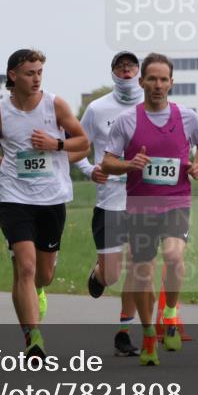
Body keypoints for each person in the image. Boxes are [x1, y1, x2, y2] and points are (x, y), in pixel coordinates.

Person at [0, 49, 88, 360]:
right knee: (25, 266)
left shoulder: (55, 104)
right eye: (29, 73)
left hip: (51, 197)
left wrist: (57, 144)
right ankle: (32, 337)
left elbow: (83, 141)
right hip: (14, 196)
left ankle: (37, 292)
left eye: (39, 72)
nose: (36, 78)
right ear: (12, 75)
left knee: (43, 274)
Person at [101, 52, 198, 366]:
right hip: (140, 206)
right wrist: (129, 164)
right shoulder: (127, 120)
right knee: (142, 272)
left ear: (171, 83)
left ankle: (171, 314)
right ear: (141, 82)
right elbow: (107, 162)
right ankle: (149, 333)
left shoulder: (186, 117)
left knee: (175, 257)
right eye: (152, 79)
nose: (158, 85)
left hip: (176, 201)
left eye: (164, 79)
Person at [77, 51, 144, 357]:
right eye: (121, 67)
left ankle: (124, 332)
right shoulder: (97, 108)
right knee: (113, 275)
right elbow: (76, 146)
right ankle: (98, 273)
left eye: (131, 66)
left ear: (139, 72)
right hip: (110, 200)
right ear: (114, 73)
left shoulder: (154, 106)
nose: (126, 71)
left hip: (144, 198)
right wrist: (89, 170)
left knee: (139, 266)